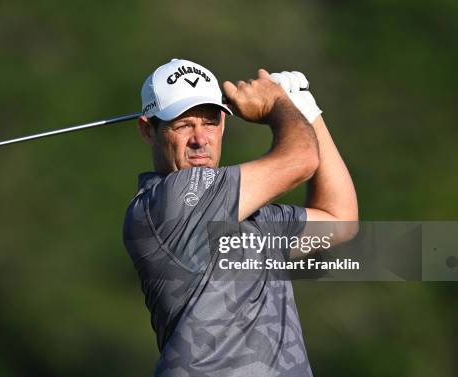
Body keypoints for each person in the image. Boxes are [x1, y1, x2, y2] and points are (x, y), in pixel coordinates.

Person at [123, 58, 358, 377]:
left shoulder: (251, 215)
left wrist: (309, 112)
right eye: (183, 125)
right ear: (147, 130)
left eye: (209, 122)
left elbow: (339, 220)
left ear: (222, 124)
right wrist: (279, 104)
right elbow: (301, 158)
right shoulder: (168, 203)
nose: (199, 139)